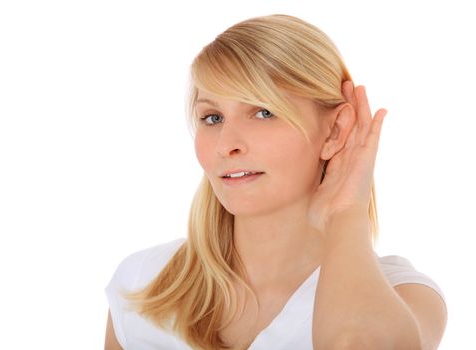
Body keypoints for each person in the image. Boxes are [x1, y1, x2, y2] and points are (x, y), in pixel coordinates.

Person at [104, 14, 448, 349]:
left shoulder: (404, 295)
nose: (226, 145)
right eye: (212, 117)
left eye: (263, 112)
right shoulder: (144, 284)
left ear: (335, 130)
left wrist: (345, 212)